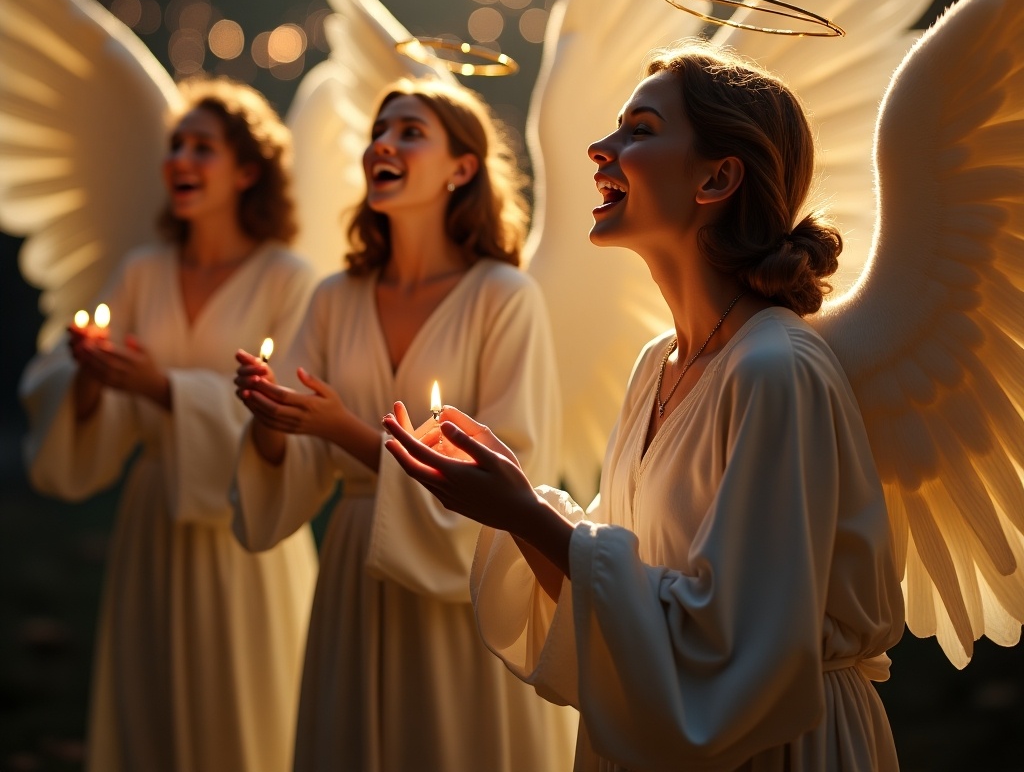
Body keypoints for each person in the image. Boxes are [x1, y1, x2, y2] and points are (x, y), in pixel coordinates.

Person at [384, 44, 906, 772]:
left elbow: (734, 646)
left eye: (641, 129)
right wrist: (514, 498)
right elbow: (620, 592)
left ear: (717, 178)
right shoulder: (656, 363)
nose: (602, 149)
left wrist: (525, 514)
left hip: (775, 747)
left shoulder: (774, 370)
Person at [231, 77, 578, 772]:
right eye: (379, 132)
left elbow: (508, 469)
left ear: (462, 168)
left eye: (410, 132)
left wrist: (340, 429)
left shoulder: (504, 299)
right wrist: (272, 416)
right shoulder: (335, 298)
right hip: (358, 571)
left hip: (468, 581)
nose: (382, 144)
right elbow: (291, 466)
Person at [21, 78, 318, 772]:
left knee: (244, 711)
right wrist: (91, 380)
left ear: (248, 171)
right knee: (151, 710)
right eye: (176, 146)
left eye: (202, 148)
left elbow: (287, 408)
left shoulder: (288, 280)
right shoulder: (143, 271)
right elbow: (72, 394)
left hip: (250, 530)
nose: (180, 159)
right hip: (153, 520)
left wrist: (162, 386)